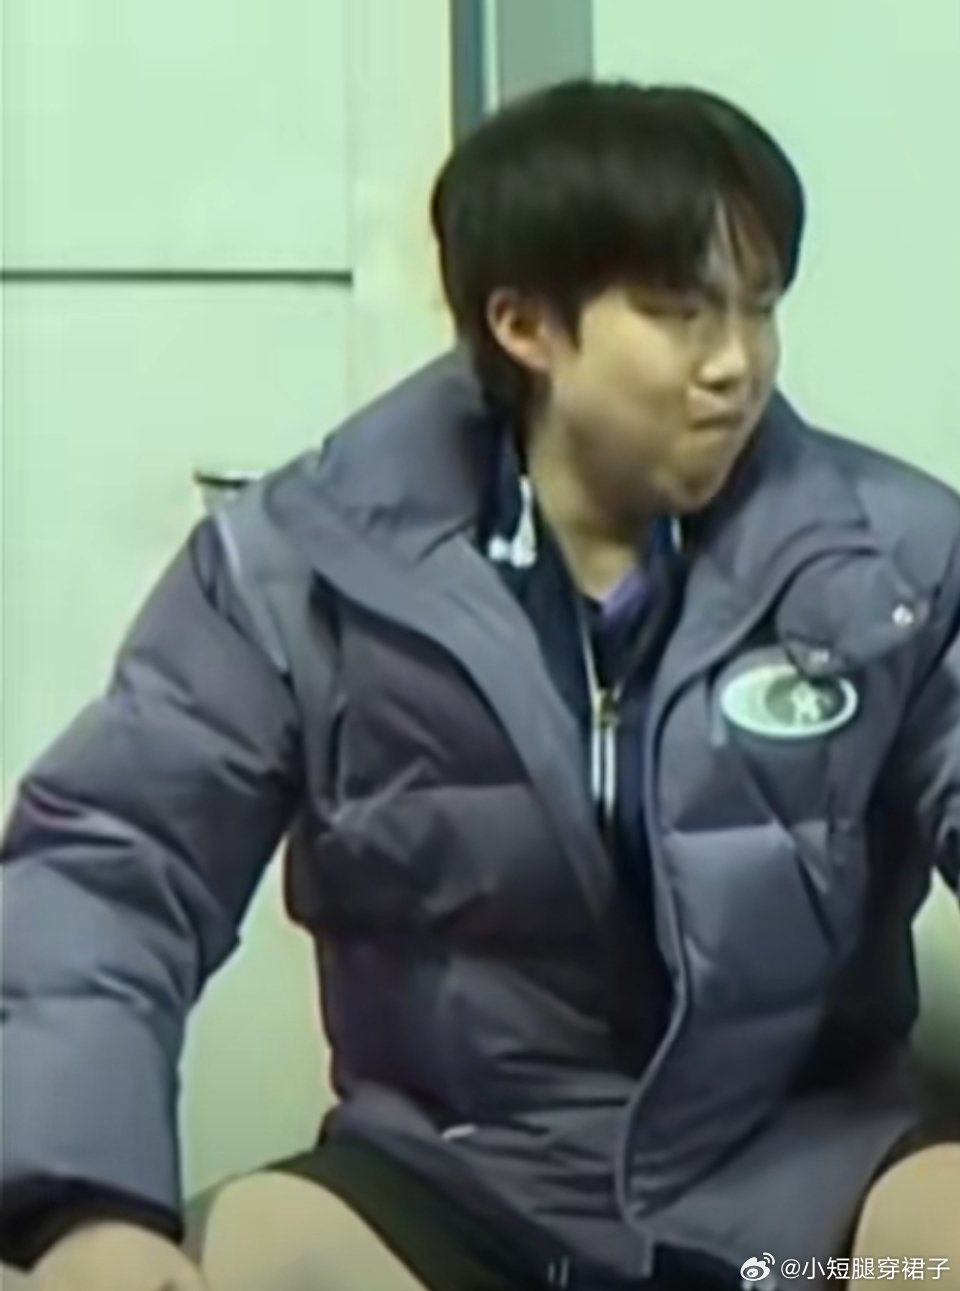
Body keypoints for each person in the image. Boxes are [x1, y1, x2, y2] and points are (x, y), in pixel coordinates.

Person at [1, 78, 958, 1291]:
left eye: (758, 309)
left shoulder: (892, 562)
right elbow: (112, 864)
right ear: (525, 327)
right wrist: (84, 1209)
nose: (737, 364)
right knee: (260, 1256)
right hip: (462, 1182)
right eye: (679, 313)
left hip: (800, 1204)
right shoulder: (302, 568)